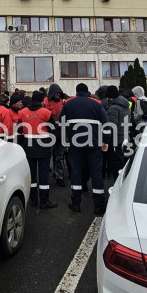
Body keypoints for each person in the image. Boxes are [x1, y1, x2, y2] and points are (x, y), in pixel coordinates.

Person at [60, 83, 109, 216]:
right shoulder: (96, 104)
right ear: (88, 92)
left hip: (75, 145)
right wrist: (105, 141)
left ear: (76, 92)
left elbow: (62, 123)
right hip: (94, 144)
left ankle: (76, 203)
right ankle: (99, 206)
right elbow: (106, 124)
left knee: (76, 172)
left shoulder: (68, 104)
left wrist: (65, 142)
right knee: (96, 173)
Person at [16, 91, 57, 209]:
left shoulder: (22, 112)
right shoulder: (46, 112)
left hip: (28, 147)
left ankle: (33, 200)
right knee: (43, 174)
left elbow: (19, 131)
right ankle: (44, 201)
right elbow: (53, 130)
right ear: (41, 101)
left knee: (32, 175)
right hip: (43, 147)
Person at [99, 85, 131, 182]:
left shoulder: (113, 108)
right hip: (125, 139)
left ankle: (118, 189)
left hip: (116, 141)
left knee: (116, 166)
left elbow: (110, 127)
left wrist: (105, 141)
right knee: (124, 165)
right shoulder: (126, 106)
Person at [44, 84, 67, 187]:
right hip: (50, 131)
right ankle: (45, 177)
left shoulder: (63, 102)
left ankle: (59, 176)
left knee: (59, 156)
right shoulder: (45, 102)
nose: (58, 95)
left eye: (59, 93)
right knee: (48, 154)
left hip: (61, 130)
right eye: (56, 93)